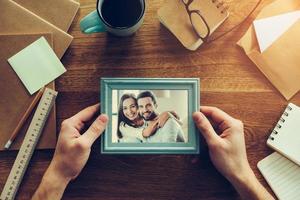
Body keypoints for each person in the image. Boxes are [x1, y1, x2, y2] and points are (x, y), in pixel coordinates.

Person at [32, 104, 274, 200]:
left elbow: (158, 128)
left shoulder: (158, 120)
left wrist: (58, 174)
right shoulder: (128, 129)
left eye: (142, 106)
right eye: (129, 108)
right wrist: (242, 175)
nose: (138, 111)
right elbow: (145, 134)